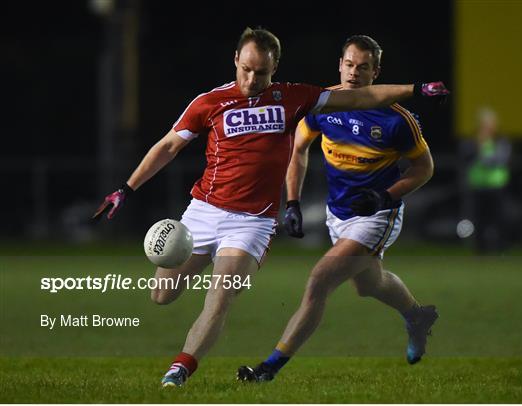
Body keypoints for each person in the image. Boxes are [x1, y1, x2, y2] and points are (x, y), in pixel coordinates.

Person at [93, 28, 448, 387]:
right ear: (235, 60)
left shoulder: (293, 98)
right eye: (246, 69)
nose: (251, 79)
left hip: (253, 223)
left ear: (274, 67)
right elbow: (169, 146)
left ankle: (182, 370)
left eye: (261, 72)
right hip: (204, 211)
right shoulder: (209, 102)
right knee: (162, 294)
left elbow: (362, 99)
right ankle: (416, 315)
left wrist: (417, 90)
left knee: (223, 296)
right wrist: (126, 188)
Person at [237, 35, 441, 383]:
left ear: (376, 72)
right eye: (349, 64)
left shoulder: (396, 120)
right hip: (338, 213)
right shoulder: (325, 105)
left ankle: (268, 369)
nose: (353, 73)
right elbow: (298, 148)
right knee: (369, 284)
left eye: (363, 67)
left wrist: (384, 197)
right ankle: (417, 316)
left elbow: (425, 169)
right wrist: (293, 202)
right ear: (339, 65)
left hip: (376, 215)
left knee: (319, 280)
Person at [464, 107, 511, 252]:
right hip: (478, 186)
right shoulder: (472, 141)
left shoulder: (500, 141)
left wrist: (483, 148)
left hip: (496, 186)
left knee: (498, 218)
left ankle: (500, 248)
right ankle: (480, 250)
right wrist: (478, 146)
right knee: (479, 220)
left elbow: (499, 160)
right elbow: (466, 158)